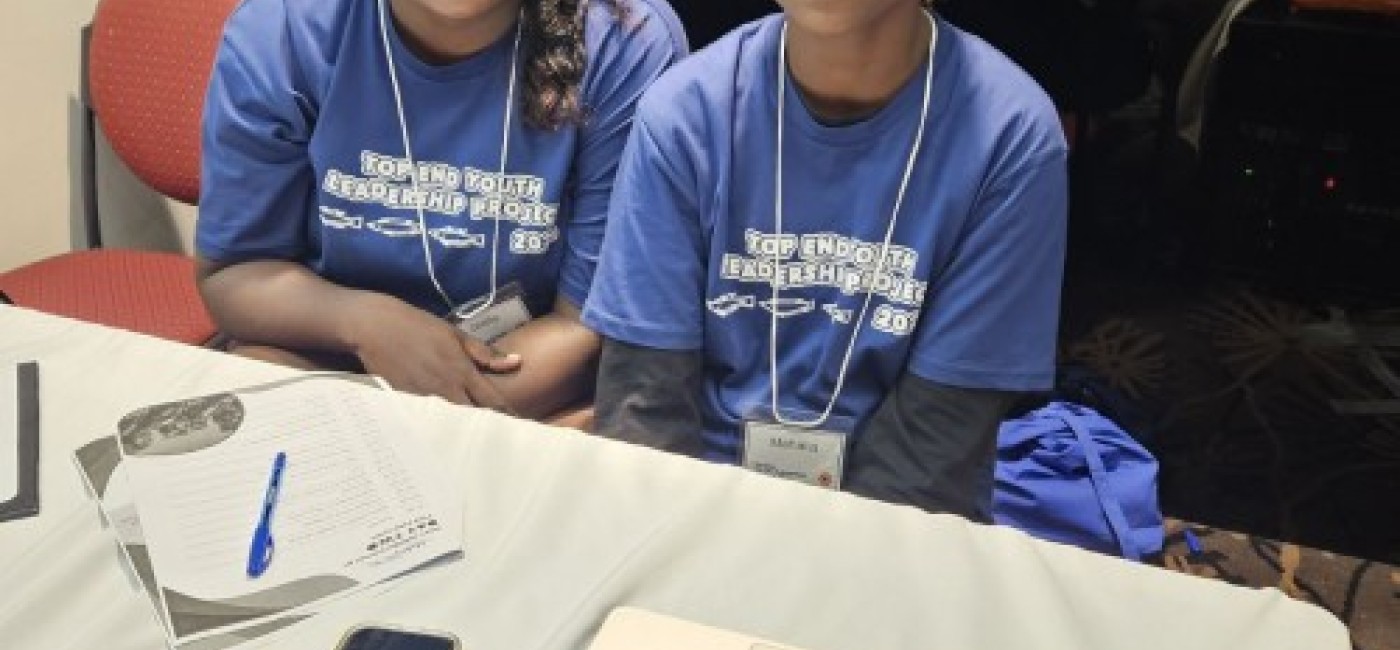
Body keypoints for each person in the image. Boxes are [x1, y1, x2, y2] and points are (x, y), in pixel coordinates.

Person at [582, 0, 1067, 519]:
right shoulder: (683, 115)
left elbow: (933, 451)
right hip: (695, 504)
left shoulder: (1012, 138)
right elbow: (645, 409)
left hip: (893, 526)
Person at [196, 0, 687, 420]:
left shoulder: (625, 41)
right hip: (322, 354)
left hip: (525, 384)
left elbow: (585, 326)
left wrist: (393, 421)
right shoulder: (282, 30)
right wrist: (365, 323)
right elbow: (237, 272)